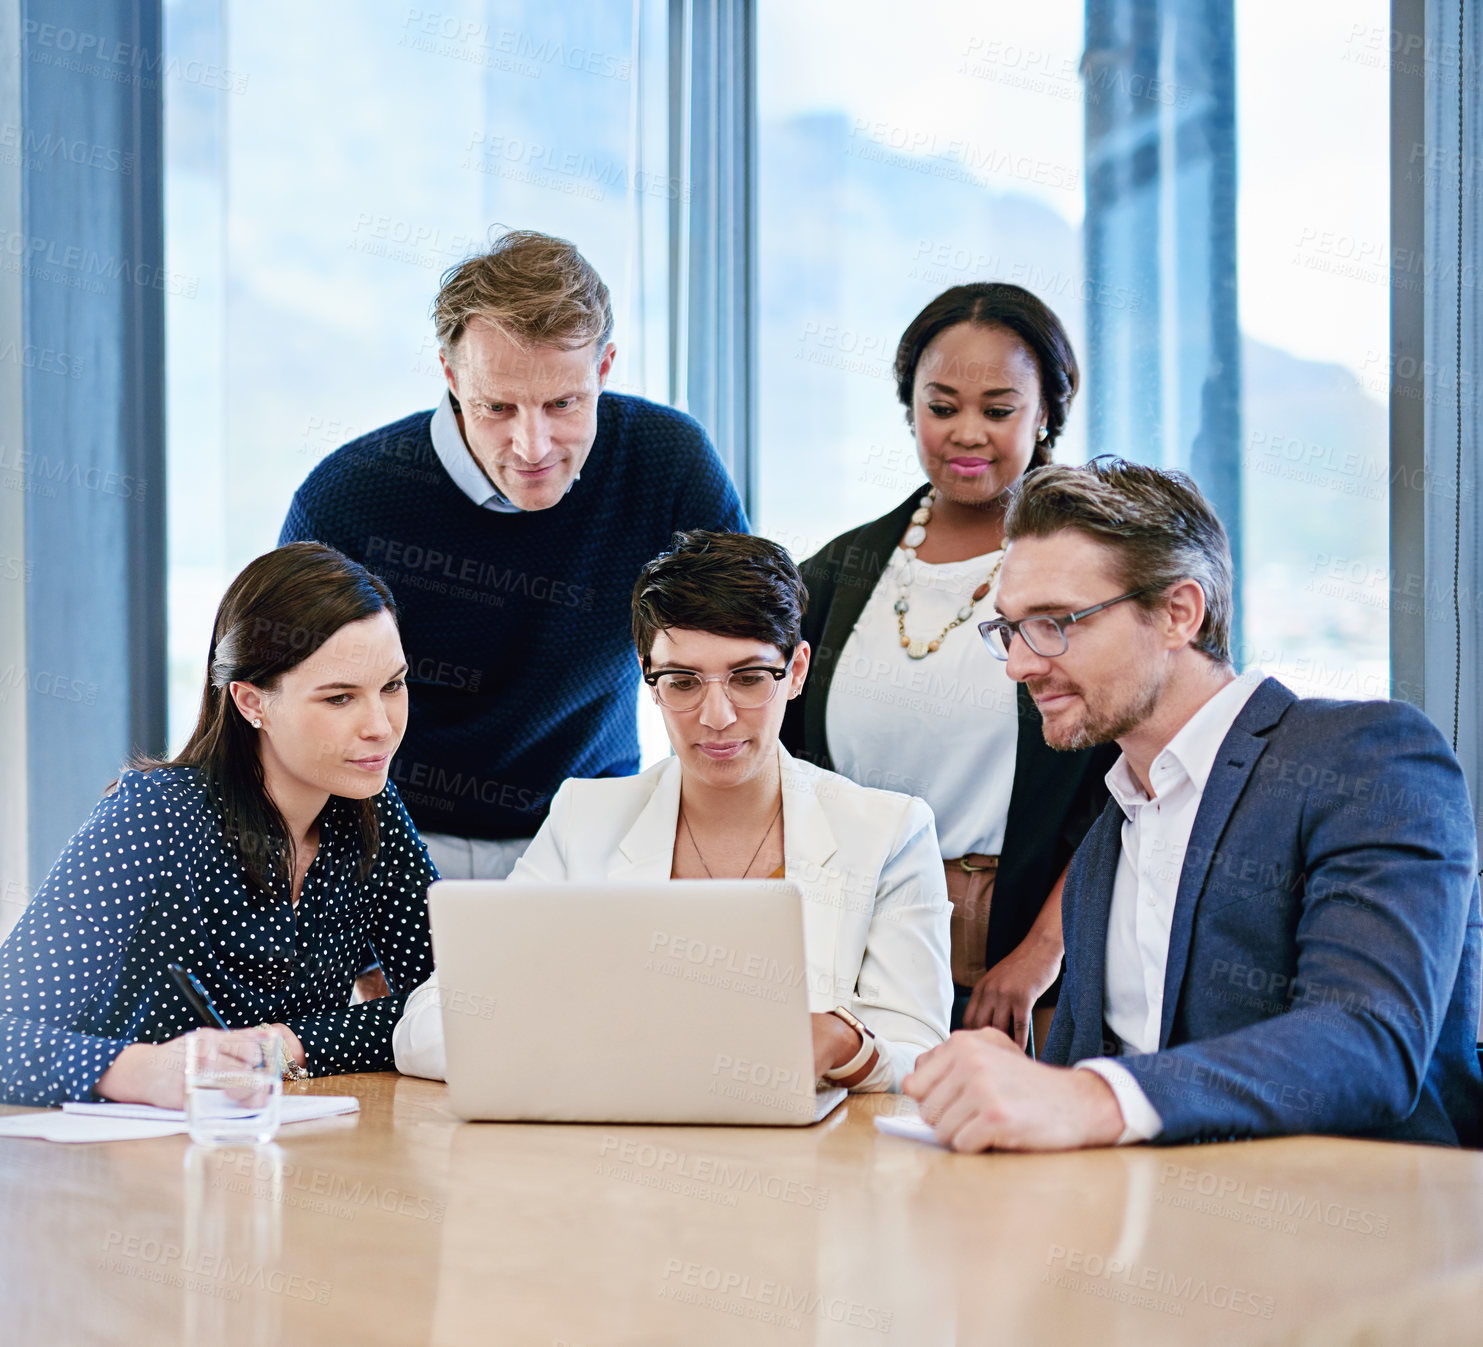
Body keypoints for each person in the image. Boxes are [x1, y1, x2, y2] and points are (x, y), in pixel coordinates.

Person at [904, 459, 1483, 1150]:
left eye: (1054, 622)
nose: (1019, 664)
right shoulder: (1106, 840)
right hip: (1151, 1233)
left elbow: (1367, 1042)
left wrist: (1088, 1095)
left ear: (1178, 612)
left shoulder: (1362, 756)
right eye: (1009, 629)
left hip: (1359, 1232)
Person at [394, 531, 953, 1089]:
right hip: (622, 1161)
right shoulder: (584, 818)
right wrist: (606, 1043)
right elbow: (424, 1026)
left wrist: (845, 1045)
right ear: (648, 677)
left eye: (749, 678)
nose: (716, 716)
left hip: (813, 1163)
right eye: (683, 682)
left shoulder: (889, 831)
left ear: (798, 671)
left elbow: (919, 1054)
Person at [280, 229, 746, 883]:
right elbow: (289, 714)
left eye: (564, 403)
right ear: (450, 375)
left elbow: (745, 650)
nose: (532, 445)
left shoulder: (667, 463)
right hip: (390, 841)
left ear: (604, 368)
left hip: (597, 832)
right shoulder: (347, 501)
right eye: (497, 407)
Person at [782, 283, 1115, 1045]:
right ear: (910, 409)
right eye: (941, 406)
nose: (967, 432)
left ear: (1045, 417)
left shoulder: (1089, 573)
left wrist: (1039, 954)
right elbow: (784, 771)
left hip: (1027, 970)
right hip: (854, 957)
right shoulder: (832, 576)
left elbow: (1126, 789)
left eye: (998, 409)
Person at [0, 543, 437, 1108]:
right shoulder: (153, 817)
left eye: (392, 686)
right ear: (253, 703)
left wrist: (288, 1045)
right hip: (115, 1161)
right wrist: (141, 1070)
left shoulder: (370, 807)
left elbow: (447, 1003)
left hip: (274, 1152)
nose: (380, 725)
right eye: (339, 698)